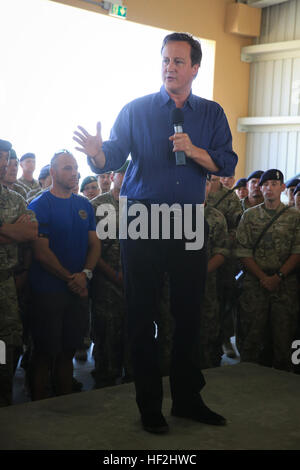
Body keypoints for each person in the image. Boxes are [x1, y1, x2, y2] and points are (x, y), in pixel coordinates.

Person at [73, 32, 237, 433]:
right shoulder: (137, 110)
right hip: (141, 218)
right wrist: (97, 154)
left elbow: (227, 161)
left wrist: (195, 150)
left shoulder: (211, 114)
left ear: (195, 68)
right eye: (165, 60)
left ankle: (186, 398)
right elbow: (111, 154)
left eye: (179, 61)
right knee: (141, 316)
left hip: (188, 219)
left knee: (188, 315)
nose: (170, 67)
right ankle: (149, 405)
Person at [27, 150, 100, 400]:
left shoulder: (83, 205)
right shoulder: (39, 205)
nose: (74, 172)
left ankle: (66, 404)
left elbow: (94, 244)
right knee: (44, 352)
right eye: (67, 168)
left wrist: (86, 274)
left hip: (77, 290)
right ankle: (37, 405)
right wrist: (72, 279)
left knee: (69, 349)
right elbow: (41, 253)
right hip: (48, 292)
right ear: (53, 171)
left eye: (75, 167)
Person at [235, 169, 300, 370]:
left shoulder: (294, 217)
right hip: (256, 282)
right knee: (252, 335)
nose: (269, 188)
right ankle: (247, 380)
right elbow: (242, 251)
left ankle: (280, 382)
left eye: (274, 184)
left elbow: (297, 251)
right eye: (265, 184)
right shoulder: (250, 216)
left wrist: (278, 277)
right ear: (260, 188)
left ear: (282, 188)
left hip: (285, 283)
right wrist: (264, 277)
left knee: (283, 336)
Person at [0, 139, 38, 406]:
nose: (4, 163)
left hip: (6, 284)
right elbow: (18, 232)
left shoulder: (15, 198)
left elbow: (30, 233)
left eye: (5, 157)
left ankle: (3, 398)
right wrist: (12, 230)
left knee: (8, 343)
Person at [90, 161, 131, 387]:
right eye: (121, 173)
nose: (125, 178)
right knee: (105, 330)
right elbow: (91, 248)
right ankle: (104, 374)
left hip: (134, 280)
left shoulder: (141, 205)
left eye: (129, 173)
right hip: (105, 280)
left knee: (131, 329)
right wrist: (114, 276)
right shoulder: (96, 205)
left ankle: (130, 372)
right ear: (113, 176)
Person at [206, 174, 242, 358]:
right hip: (201, 257)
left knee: (223, 299)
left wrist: (223, 241)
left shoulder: (229, 196)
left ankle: (224, 339)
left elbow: (237, 226)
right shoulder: (195, 188)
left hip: (223, 258)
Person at [200, 175, 230, 368]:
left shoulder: (216, 216)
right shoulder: (173, 213)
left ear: (210, 187)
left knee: (207, 329)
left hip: (206, 284)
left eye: (205, 184)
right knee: (170, 329)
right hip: (174, 284)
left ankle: (206, 369)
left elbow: (222, 251)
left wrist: (199, 273)